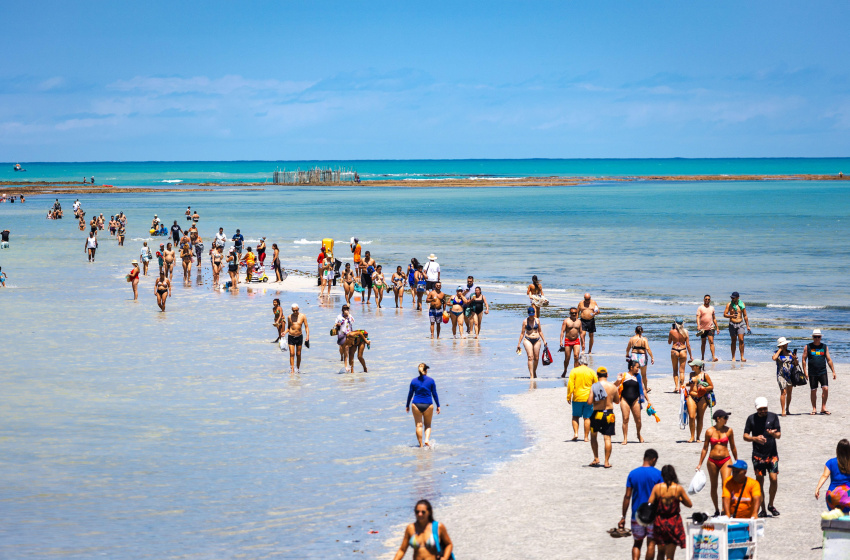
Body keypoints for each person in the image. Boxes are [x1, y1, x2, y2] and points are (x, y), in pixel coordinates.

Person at [620, 449, 663, 560]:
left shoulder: (633, 474)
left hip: (636, 515)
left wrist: (623, 517)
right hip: (652, 515)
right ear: (654, 459)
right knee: (651, 544)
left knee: (637, 544)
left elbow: (627, 496)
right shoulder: (658, 474)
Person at [744, 397, 781, 517]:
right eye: (761, 409)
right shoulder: (751, 419)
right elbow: (745, 435)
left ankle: (771, 504)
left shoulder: (773, 417)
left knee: (774, 479)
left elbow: (779, 435)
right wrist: (754, 438)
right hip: (758, 455)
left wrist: (773, 434)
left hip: (772, 455)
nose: (763, 411)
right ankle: (763, 509)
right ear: (756, 409)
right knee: (759, 482)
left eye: (765, 409)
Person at [697, 410, 738, 516]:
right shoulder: (709, 431)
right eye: (725, 417)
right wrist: (700, 463)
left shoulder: (729, 431)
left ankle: (725, 509)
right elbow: (705, 448)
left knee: (726, 485)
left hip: (726, 459)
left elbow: (733, 447)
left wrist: (737, 460)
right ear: (718, 419)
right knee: (713, 486)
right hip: (712, 461)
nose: (727, 419)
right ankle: (716, 509)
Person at [647, 465, 691, 559]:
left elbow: (649, 503)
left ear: (662, 475)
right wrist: (679, 499)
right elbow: (689, 504)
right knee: (670, 556)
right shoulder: (678, 488)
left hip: (660, 521)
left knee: (660, 552)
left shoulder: (657, 488)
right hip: (673, 522)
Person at [405, 364, 441, 448]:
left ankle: (421, 445)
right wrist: (438, 405)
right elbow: (434, 394)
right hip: (428, 405)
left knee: (418, 425)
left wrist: (407, 405)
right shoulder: (431, 381)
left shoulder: (414, 381)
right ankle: (427, 440)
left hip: (416, 404)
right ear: (426, 370)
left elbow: (410, 394)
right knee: (427, 425)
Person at [589, 366, 619, 468]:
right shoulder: (613, 387)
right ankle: (606, 462)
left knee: (593, 436)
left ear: (597, 375)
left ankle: (596, 458)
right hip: (609, 414)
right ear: (607, 375)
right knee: (607, 438)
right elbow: (617, 401)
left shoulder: (594, 386)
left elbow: (589, 402)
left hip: (597, 414)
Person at [803, 329, 837, 415]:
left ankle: (823, 407)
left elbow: (829, 360)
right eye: (815, 337)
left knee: (825, 388)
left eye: (818, 337)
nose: (817, 338)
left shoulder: (824, 347)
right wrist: (805, 372)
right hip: (812, 372)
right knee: (813, 390)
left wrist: (833, 371)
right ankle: (814, 408)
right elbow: (803, 359)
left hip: (822, 371)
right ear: (813, 337)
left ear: (821, 337)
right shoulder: (808, 347)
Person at [618, 359, 651, 445]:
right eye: (637, 367)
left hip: (636, 399)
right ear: (631, 367)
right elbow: (615, 386)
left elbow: (643, 389)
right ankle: (625, 438)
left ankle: (638, 434)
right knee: (625, 419)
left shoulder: (638, 377)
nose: (638, 369)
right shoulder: (624, 375)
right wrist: (618, 380)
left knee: (638, 420)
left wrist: (648, 400)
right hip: (624, 399)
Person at [567, 354, 597, 441]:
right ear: (587, 362)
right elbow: (596, 384)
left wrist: (569, 396)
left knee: (575, 416)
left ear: (579, 362)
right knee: (587, 418)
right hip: (589, 398)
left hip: (577, 397)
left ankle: (576, 433)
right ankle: (586, 437)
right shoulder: (591, 372)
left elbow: (570, 385)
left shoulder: (574, 371)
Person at [815, 439, 850, 514]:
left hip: (832, 497)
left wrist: (818, 488)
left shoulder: (830, 462)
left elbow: (825, 476)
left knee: (836, 517)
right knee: (846, 517)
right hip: (847, 497)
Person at [685, 359, 713, 443]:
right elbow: (691, 384)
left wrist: (704, 388)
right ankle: (692, 436)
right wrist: (684, 385)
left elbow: (711, 386)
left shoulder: (705, 375)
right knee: (691, 416)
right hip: (692, 396)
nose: (691, 367)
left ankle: (698, 437)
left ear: (697, 367)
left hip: (702, 398)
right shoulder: (691, 374)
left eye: (693, 366)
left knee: (700, 418)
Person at [517, 306, 546, 379]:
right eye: (530, 315)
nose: (531, 316)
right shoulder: (525, 321)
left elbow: (540, 331)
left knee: (536, 358)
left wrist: (544, 341)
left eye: (532, 314)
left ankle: (534, 371)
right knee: (530, 357)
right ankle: (531, 375)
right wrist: (518, 344)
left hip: (537, 339)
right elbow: (522, 333)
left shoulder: (537, 320)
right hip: (528, 339)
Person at [772, 337, 799, 416]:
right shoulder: (776, 352)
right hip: (781, 375)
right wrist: (780, 350)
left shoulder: (790, 352)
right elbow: (774, 358)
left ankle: (787, 408)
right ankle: (783, 410)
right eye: (784, 344)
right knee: (783, 392)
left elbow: (796, 364)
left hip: (790, 375)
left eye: (786, 344)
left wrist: (795, 359)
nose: (786, 345)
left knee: (789, 392)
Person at [625, 325, 654, 392]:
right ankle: (645, 388)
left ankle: (633, 388)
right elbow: (647, 348)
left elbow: (628, 348)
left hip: (634, 355)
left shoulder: (632, 339)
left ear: (635, 331)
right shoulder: (644, 339)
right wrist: (652, 357)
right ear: (642, 331)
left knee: (633, 373)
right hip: (642, 356)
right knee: (643, 374)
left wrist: (627, 354)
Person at [724, 291, 751, 362]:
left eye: (733, 298)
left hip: (740, 323)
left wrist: (748, 325)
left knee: (741, 340)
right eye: (731, 297)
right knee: (733, 341)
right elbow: (725, 314)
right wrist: (731, 316)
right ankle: (733, 357)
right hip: (732, 323)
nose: (732, 299)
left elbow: (745, 315)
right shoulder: (729, 305)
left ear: (737, 298)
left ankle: (742, 356)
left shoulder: (742, 304)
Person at [667, 319, 692, 391]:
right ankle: (681, 387)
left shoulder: (672, 332)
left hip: (674, 350)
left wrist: (671, 331)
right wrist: (691, 355)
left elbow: (669, 342)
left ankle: (676, 387)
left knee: (675, 370)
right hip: (683, 350)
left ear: (675, 323)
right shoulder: (686, 332)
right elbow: (688, 345)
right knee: (682, 371)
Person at [559, 307, 585, 377]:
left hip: (576, 340)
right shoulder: (566, 321)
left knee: (576, 356)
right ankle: (565, 370)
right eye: (572, 313)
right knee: (567, 358)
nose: (574, 314)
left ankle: (575, 372)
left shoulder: (579, 321)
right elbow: (562, 331)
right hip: (568, 340)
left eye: (575, 313)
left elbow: (581, 332)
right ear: (570, 313)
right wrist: (561, 341)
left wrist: (583, 343)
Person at [287, 304, 309, 374]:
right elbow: (288, 327)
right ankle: (292, 369)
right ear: (292, 310)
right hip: (291, 336)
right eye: (294, 311)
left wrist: (307, 336)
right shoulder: (289, 317)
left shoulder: (303, 316)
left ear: (298, 309)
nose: (295, 312)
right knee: (291, 353)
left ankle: (298, 369)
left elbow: (306, 327)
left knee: (298, 354)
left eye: (296, 310)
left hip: (299, 336)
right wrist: (284, 332)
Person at [696, 295, 720, 362]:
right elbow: (698, 317)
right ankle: (703, 357)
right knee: (703, 343)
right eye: (706, 299)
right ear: (703, 300)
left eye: (708, 299)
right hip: (703, 329)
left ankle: (713, 357)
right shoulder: (700, 308)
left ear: (710, 300)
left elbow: (714, 318)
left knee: (711, 342)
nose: (707, 300)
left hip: (711, 328)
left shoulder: (712, 308)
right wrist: (698, 325)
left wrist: (717, 327)